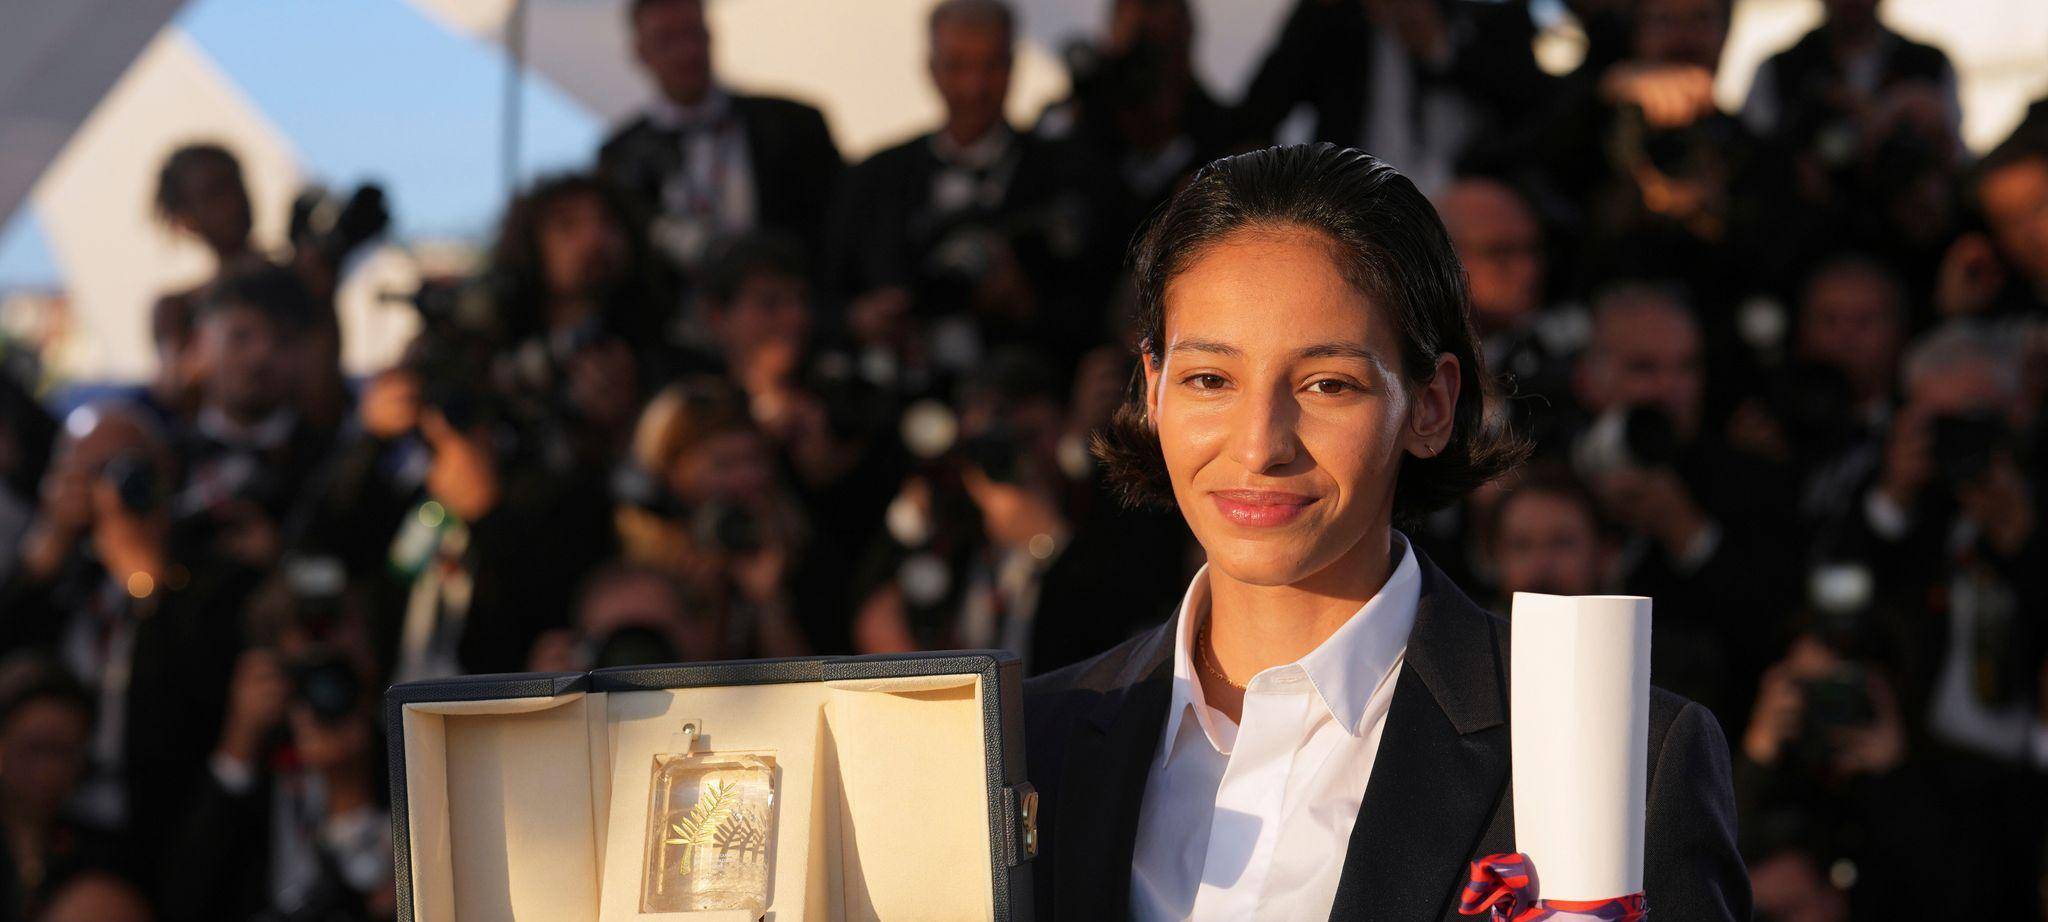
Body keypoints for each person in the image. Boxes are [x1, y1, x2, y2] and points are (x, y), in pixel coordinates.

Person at [1022, 144, 1748, 920]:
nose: (1261, 445)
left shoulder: (1625, 759)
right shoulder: (1028, 745)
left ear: (1430, 406)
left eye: (1327, 384)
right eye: (1211, 379)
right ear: (1154, 389)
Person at [824, 0, 1116, 379]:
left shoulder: (1067, 175)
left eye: (990, 66)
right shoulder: (877, 178)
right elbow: (824, 294)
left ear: (1012, 68)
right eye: (958, 66)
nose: (974, 87)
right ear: (932, 70)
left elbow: (1103, 306)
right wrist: (862, 318)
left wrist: (1024, 303)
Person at [599, 0, 843, 273]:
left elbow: (840, 224)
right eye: (666, 40)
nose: (687, 52)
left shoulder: (793, 125)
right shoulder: (621, 156)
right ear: (640, 52)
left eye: (694, 34)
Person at [1235, 0, 1553, 195]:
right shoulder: (1333, 17)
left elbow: (1534, 108)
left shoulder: (1488, 15)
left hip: (1471, 199)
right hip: (1357, 196)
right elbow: (1259, 111)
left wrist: (1439, 48)